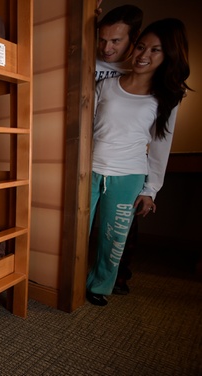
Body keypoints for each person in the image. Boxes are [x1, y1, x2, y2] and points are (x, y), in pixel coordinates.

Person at [86, 18, 191, 306]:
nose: (144, 56)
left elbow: (160, 146)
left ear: (168, 56)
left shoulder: (166, 98)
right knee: (75, 232)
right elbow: (84, 130)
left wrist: (150, 189)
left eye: (155, 50)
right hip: (90, 170)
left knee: (113, 240)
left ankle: (100, 285)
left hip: (129, 174)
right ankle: (68, 281)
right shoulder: (105, 85)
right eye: (141, 47)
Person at [94, 4, 144, 295]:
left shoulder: (138, 71)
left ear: (133, 39)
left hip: (127, 160)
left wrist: (152, 186)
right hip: (93, 153)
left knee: (121, 226)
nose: (107, 47)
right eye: (102, 39)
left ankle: (118, 275)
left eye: (116, 41)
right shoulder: (91, 59)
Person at [95, 4, 143, 81]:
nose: (106, 49)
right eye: (102, 40)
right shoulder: (88, 56)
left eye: (115, 41)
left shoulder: (142, 66)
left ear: (135, 36)